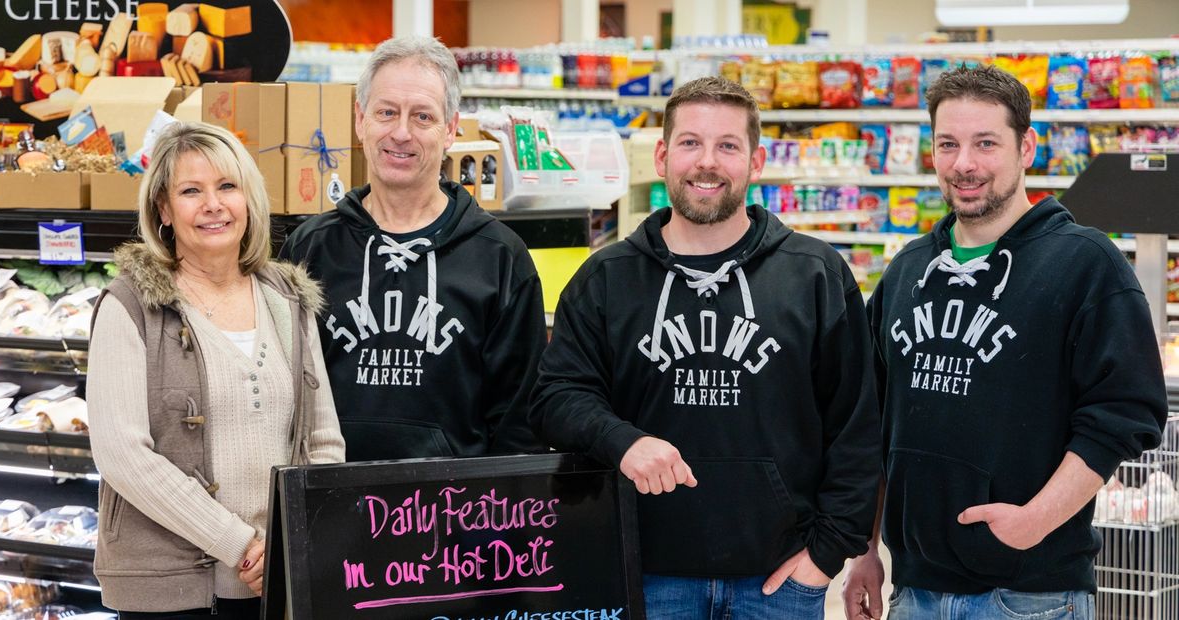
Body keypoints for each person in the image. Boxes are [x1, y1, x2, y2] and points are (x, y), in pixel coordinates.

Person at [530, 75, 880, 619]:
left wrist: (827, 554)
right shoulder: (607, 276)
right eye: (691, 143)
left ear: (757, 161)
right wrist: (622, 440)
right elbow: (556, 397)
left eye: (728, 146)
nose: (707, 162)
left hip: (781, 582)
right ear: (663, 156)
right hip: (645, 576)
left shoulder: (815, 274)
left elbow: (857, 424)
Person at [843, 64, 1167, 620]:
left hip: (1031, 597)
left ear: (1027, 148)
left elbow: (1125, 413)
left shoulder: (1086, 264)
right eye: (948, 144)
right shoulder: (907, 271)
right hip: (913, 592)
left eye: (985, 143)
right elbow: (872, 423)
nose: (964, 164)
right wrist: (866, 552)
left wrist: (1035, 521)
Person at [87, 121, 345, 617]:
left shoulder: (288, 299)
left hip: (279, 580)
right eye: (190, 191)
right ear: (163, 208)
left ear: (248, 198)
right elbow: (122, 455)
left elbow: (324, 441)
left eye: (227, 186)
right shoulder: (130, 306)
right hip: (169, 590)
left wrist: (294, 539)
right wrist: (242, 545)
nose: (213, 204)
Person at [278, 36, 546, 461]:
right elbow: (281, 396)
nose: (401, 133)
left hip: (455, 512)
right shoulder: (310, 248)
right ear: (361, 119)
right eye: (386, 112)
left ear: (450, 129)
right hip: (327, 507)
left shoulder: (499, 257)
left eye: (422, 116)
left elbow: (518, 424)